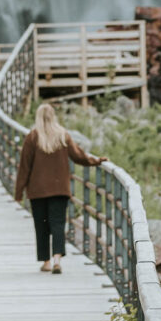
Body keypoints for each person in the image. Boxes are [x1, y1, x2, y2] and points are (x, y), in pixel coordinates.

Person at [14, 102, 107, 274]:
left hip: (38, 190)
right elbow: (79, 156)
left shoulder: (33, 137)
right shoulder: (63, 136)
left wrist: (19, 192)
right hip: (60, 190)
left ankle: (46, 262)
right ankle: (57, 259)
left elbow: (24, 167)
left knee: (41, 225)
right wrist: (96, 161)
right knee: (58, 224)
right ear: (53, 117)